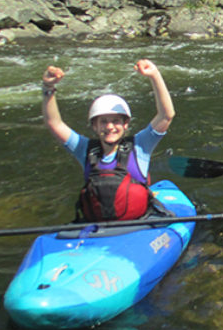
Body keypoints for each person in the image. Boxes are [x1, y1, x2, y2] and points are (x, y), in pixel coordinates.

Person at [41, 59, 175, 221]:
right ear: (94, 126)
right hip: (98, 230)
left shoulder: (140, 146)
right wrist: (48, 88)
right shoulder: (84, 149)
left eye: (116, 121)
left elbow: (166, 115)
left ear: (125, 125)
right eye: (103, 121)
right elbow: (54, 123)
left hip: (139, 225)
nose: (110, 127)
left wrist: (154, 75)